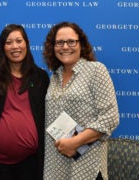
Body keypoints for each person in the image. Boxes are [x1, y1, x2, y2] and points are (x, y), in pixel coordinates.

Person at [42, 21, 119, 180]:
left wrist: (75, 142)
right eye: (60, 42)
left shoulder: (96, 70)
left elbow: (110, 118)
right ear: (53, 47)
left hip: (86, 166)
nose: (65, 47)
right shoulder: (55, 77)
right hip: (56, 166)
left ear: (81, 44)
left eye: (71, 41)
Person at [0, 24, 49, 180]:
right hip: (0, 165)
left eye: (19, 41)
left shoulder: (40, 77)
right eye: (9, 42)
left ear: (27, 43)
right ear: (2, 47)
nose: (15, 46)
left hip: (33, 162)